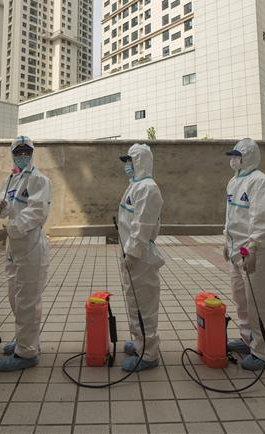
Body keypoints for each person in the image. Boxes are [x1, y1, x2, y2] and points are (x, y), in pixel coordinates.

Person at [0, 136, 51, 371]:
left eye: (26, 151)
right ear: (12, 154)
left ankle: (27, 353)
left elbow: (36, 213)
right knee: (15, 296)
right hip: (15, 249)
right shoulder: (12, 179)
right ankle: (26, 340)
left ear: (32, 153)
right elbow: (4, 204)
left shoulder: (39, 180)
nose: (22, 155)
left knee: (27, 301)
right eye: (18, 152)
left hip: (30, 247)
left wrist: (8, 231)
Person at [222, 138, 265, 370]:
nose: (233, 160)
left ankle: (263, 352)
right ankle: (248, 339)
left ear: (248, 157)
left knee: (258, 301)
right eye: (232, 156)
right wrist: (226, 240)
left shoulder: (261, 182)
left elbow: (261, 219)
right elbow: (232, 216)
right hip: (236, 249)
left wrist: (253, 247)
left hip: (255, 251)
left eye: (237, 156)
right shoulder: (234, 182)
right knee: (241, 298)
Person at [116, 143, 164, 372]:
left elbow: (142, 226)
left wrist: (132, 253)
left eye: (129, 161)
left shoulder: (147, 188)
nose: (127, 165)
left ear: (140, 161)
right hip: (133, 254)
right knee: (135, 302)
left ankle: (148, 354)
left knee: (144, 305)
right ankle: (140, 342)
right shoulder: (135, 185)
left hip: (140, 256)